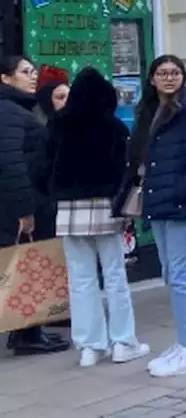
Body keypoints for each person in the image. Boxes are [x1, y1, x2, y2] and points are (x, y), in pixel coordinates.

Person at [124, 55, 186, 376]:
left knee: (182, 277)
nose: (169, 78)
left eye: (175, 73)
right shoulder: (151, 112)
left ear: (184, 76)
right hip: (163, 206)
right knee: (173, 274)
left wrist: (180, 191)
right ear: (152, 79)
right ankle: (184, 343)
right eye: (162, 73)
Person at [48, 67, 150, 366]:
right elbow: (127, 168)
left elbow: (41, 168)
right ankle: (123, 341)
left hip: (68, 207)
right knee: (115, 275)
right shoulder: (115, 127)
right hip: (107, 205)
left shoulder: (57, 125)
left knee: (80, 279)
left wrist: (54, 191)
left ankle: (90, 347)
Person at [0, 56, 69, 356]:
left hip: (25, 201)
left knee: (25, 265)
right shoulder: (9, 112)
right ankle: (27, 334)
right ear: (5, 78)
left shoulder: (18, 109)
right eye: (25, 72)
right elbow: (12, 164)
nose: (32, 77)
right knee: (26, 265)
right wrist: (24, 211)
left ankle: (27, 330)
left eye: (33, 72)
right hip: (19, 205)